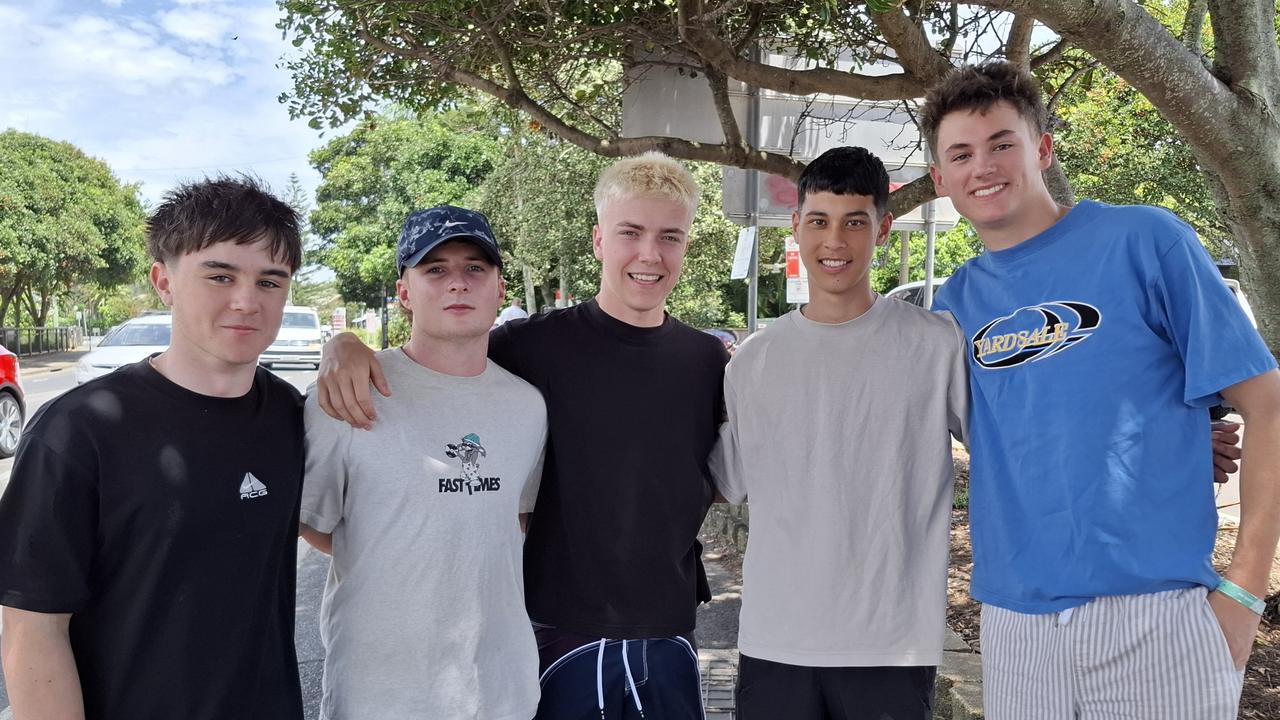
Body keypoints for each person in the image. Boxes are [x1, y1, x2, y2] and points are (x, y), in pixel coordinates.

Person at [921, 61, 1280, 719]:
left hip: (1158, 621)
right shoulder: (955, 303)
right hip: (1016, 626)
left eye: (1003, 143)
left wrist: (1245, 593)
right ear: (942, 180)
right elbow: (1033, 429)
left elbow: (1267, 403)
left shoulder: (1146, 240)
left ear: (1044, 148)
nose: (984, 166)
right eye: (962, 154)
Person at [316, 153, 728, 719]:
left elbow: (706, 473)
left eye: (670, 237)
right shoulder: (528, 347)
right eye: (629, 232)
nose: (649, 254)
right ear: (598, 241)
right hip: (555, 629)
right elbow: (443, 352)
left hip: (671, 625)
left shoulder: (707, 359)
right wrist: (340, 347)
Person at [0, 177, 306, 720]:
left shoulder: (292, 413)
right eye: (219, 275)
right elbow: (33, 626)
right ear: (163, 281)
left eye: (270, 281)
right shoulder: (77, 429)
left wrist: (349, 348)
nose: (246, 301)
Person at [710, 146, 967, 719]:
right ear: (796, 225)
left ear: (883, 228)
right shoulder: (753, 360)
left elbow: (1021, 440)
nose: (835, 241)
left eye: (855, 222)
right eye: (819, 221)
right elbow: (721, 481)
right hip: (776, 637)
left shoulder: (936, 343)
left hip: (892, 642)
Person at [299, 205, 548, 720]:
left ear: (500, 287)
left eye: (475, 267)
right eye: (435, 269)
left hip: (502, 689)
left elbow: (512, 522)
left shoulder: (529, 406)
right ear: (405, 292)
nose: (457, 282)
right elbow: (313, 522)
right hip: (380, 693)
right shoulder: (347, 395)